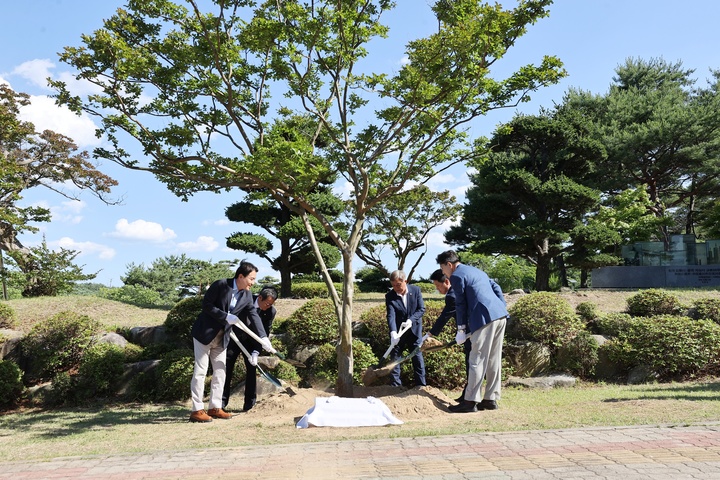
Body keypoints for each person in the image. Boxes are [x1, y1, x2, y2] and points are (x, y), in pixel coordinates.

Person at [188, 261, 275, 423]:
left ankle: (215, 407)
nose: (253, 283)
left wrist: (263, 338)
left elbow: (254, 315)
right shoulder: (221, 285)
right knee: (200, 371)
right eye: (251, 279)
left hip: (223, 337)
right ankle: (197, 410)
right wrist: (225, 316)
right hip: (205, 334)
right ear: (240, 276)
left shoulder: (247, 295)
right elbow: (206, 305)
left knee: (221, 371)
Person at [436, 250, 508, 413]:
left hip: (483, 317)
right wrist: (501, 306)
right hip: (499, 315)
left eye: (442, 269)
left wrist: (461, 328)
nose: (443, 273)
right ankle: (490, 399)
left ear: (449, 264)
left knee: (477, 358)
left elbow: (460, 303)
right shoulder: (476, 270)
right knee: (493, 359)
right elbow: (495, 286)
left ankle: (470, 402)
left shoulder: (457, 275)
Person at [222, 285, 278, 412]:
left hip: (251, 343)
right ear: (260, 298)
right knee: (226, 369)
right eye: (267, 303)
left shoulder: (270, 312)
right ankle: (221, 403)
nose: (268, 306)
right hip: (233, 339)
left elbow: (264, 332)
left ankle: (249, 405)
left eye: (271, 304)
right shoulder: (244, 301)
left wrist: (257, 351)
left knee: (252, 371)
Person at [426, 269, 471, 402]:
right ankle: (469, 395)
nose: (438, 289)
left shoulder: (452, 296)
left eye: (438, 286)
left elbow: (444, 317)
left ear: (446, 281)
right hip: (470, 331)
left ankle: (469, 397)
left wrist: (430, 334)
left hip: (471, 332)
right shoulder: (459, 290)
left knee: (471, 363)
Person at [385, 270, 426, 387]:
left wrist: (410, 321)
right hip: (398, 333)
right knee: (395, 358)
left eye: (398, 285)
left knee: (417, 358)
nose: (396, 288)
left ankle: (421, 386)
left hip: (414, 331)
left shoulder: (416, 290)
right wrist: (393, 332)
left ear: (405, 281)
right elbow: (390, 315)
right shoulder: (390, 296)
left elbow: (421, 309)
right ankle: (396, 386)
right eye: (393, 285)